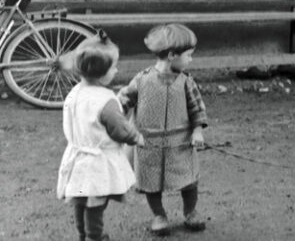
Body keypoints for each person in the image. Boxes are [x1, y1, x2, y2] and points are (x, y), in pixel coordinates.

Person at [118, 24, 209, 236]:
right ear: (171, 55)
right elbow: (123, 101)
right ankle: (159, 215)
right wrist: (115, 112)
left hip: (181, 145)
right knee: (151, 184)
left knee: (189, 182)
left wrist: (197, 131)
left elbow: (197, 109)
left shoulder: (187, 83)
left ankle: (190, 211)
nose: (190, 60)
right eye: (188, 55)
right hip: (149, 146)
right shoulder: (141, 80)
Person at [57, 31, 144, 241]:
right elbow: (119, 128)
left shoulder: (74, 93)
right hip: (97, 161)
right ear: (103, 73)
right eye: (114, 67)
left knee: (80, 199)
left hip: (77, 155)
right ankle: (94, 236)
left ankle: (82, 234)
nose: (116, 70)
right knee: (96, 203)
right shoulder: (106, 100)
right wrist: (136, 137)